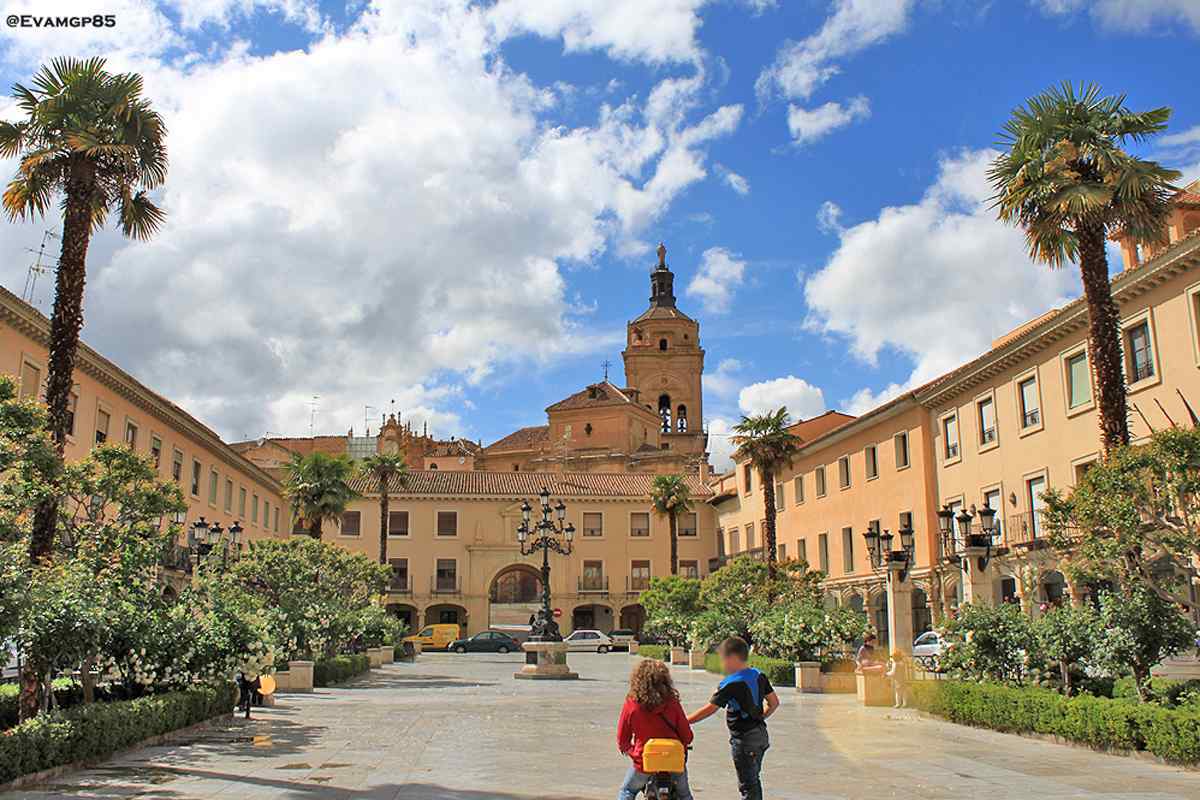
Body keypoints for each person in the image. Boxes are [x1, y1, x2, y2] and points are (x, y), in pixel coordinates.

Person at [687, 637, 779, 800]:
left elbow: (710, 709)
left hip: (744, 740)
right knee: (753, 780)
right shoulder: (759, 675)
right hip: (761, 736)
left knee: (748, 786)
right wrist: (759, 719)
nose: (722, 664)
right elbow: (774, 703)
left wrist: (685, 720)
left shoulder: (731, 683)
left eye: (723, 659)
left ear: (732, 658)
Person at [616, 659, 694, 800]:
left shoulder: (631, 704)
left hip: (645, 762)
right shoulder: (672, 703)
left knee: (627, 791)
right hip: (673, 762)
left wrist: (635, 753)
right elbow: (687, 737)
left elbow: (622, 740)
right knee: (685, 795)